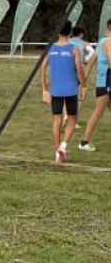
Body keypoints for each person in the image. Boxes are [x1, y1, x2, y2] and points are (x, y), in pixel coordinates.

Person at [40, 21, 86, 165]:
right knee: (72, 119)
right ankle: (63, 146)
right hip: (71, 89)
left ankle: (57, 152)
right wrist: (83, 86)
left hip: (56, 90)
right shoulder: (74, 49)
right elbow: (79, 69)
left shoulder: (51, 48)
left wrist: (45, 89)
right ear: (70, 33)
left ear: (58, 32)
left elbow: (42, 69)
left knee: (56, 121)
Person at [79, 19, 111, 153]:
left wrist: (83, 81)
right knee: (98, 112)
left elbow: (91, 63)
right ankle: (84, 142)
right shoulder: (109, 44)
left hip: (101, 83)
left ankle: (84, 142)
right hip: (107, 83)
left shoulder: (101, 42)